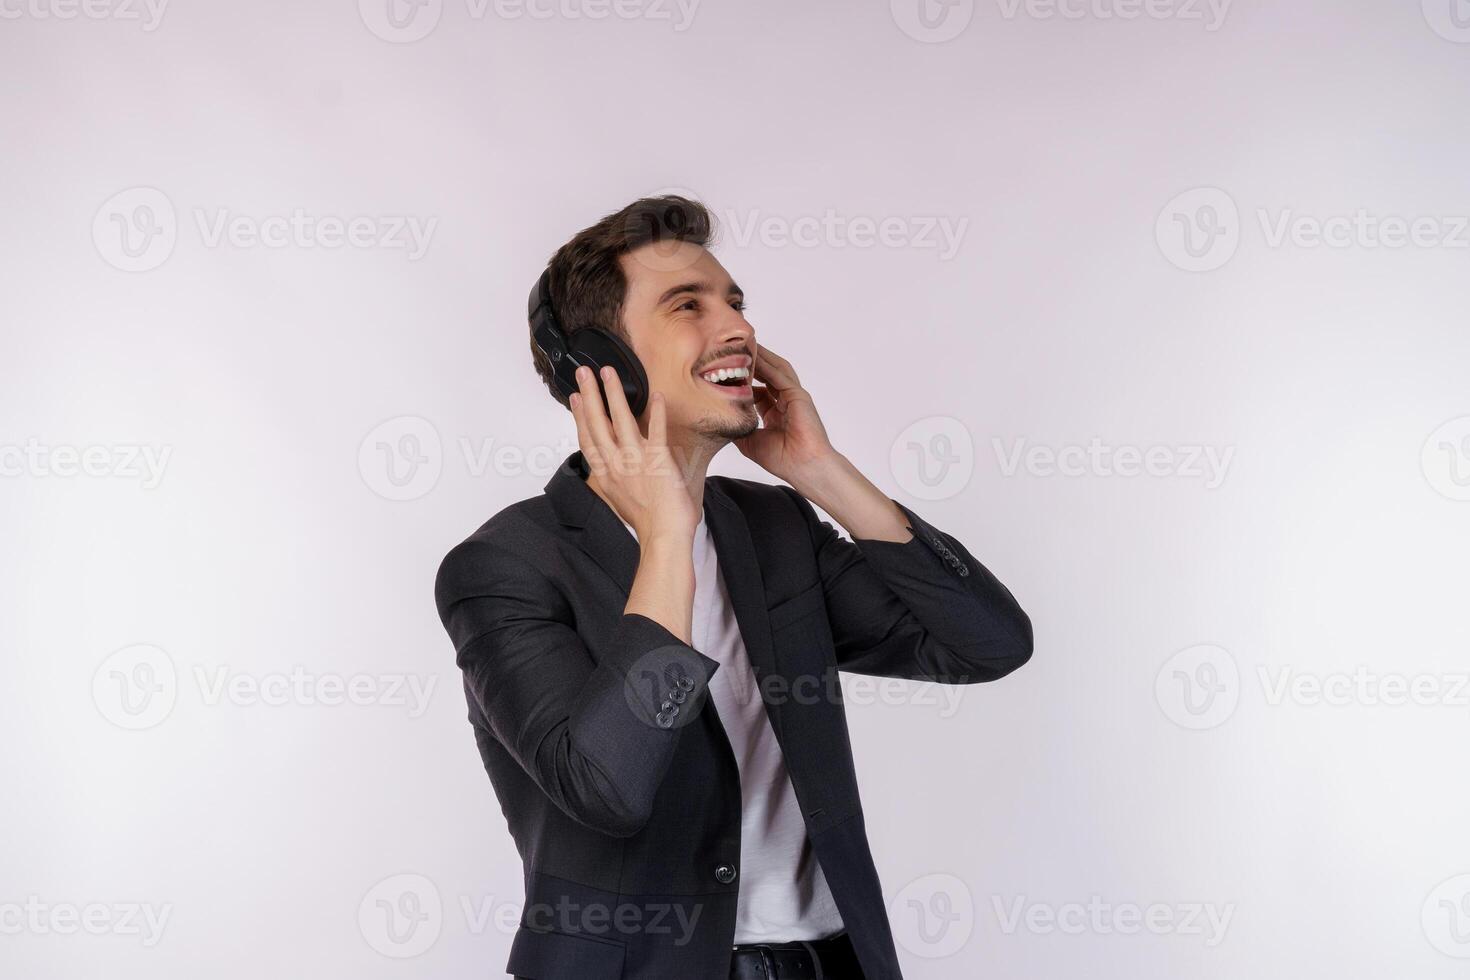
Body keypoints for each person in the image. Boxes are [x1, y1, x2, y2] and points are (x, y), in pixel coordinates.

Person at [433, 195, 1033, 979]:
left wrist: (821, 473)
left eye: (736, 303)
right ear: (600, 364)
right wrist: (666, 540)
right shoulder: (504, 566)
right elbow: (607, 785)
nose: (740, 329)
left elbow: (986, 645)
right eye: (689, 305)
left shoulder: (774, 529)